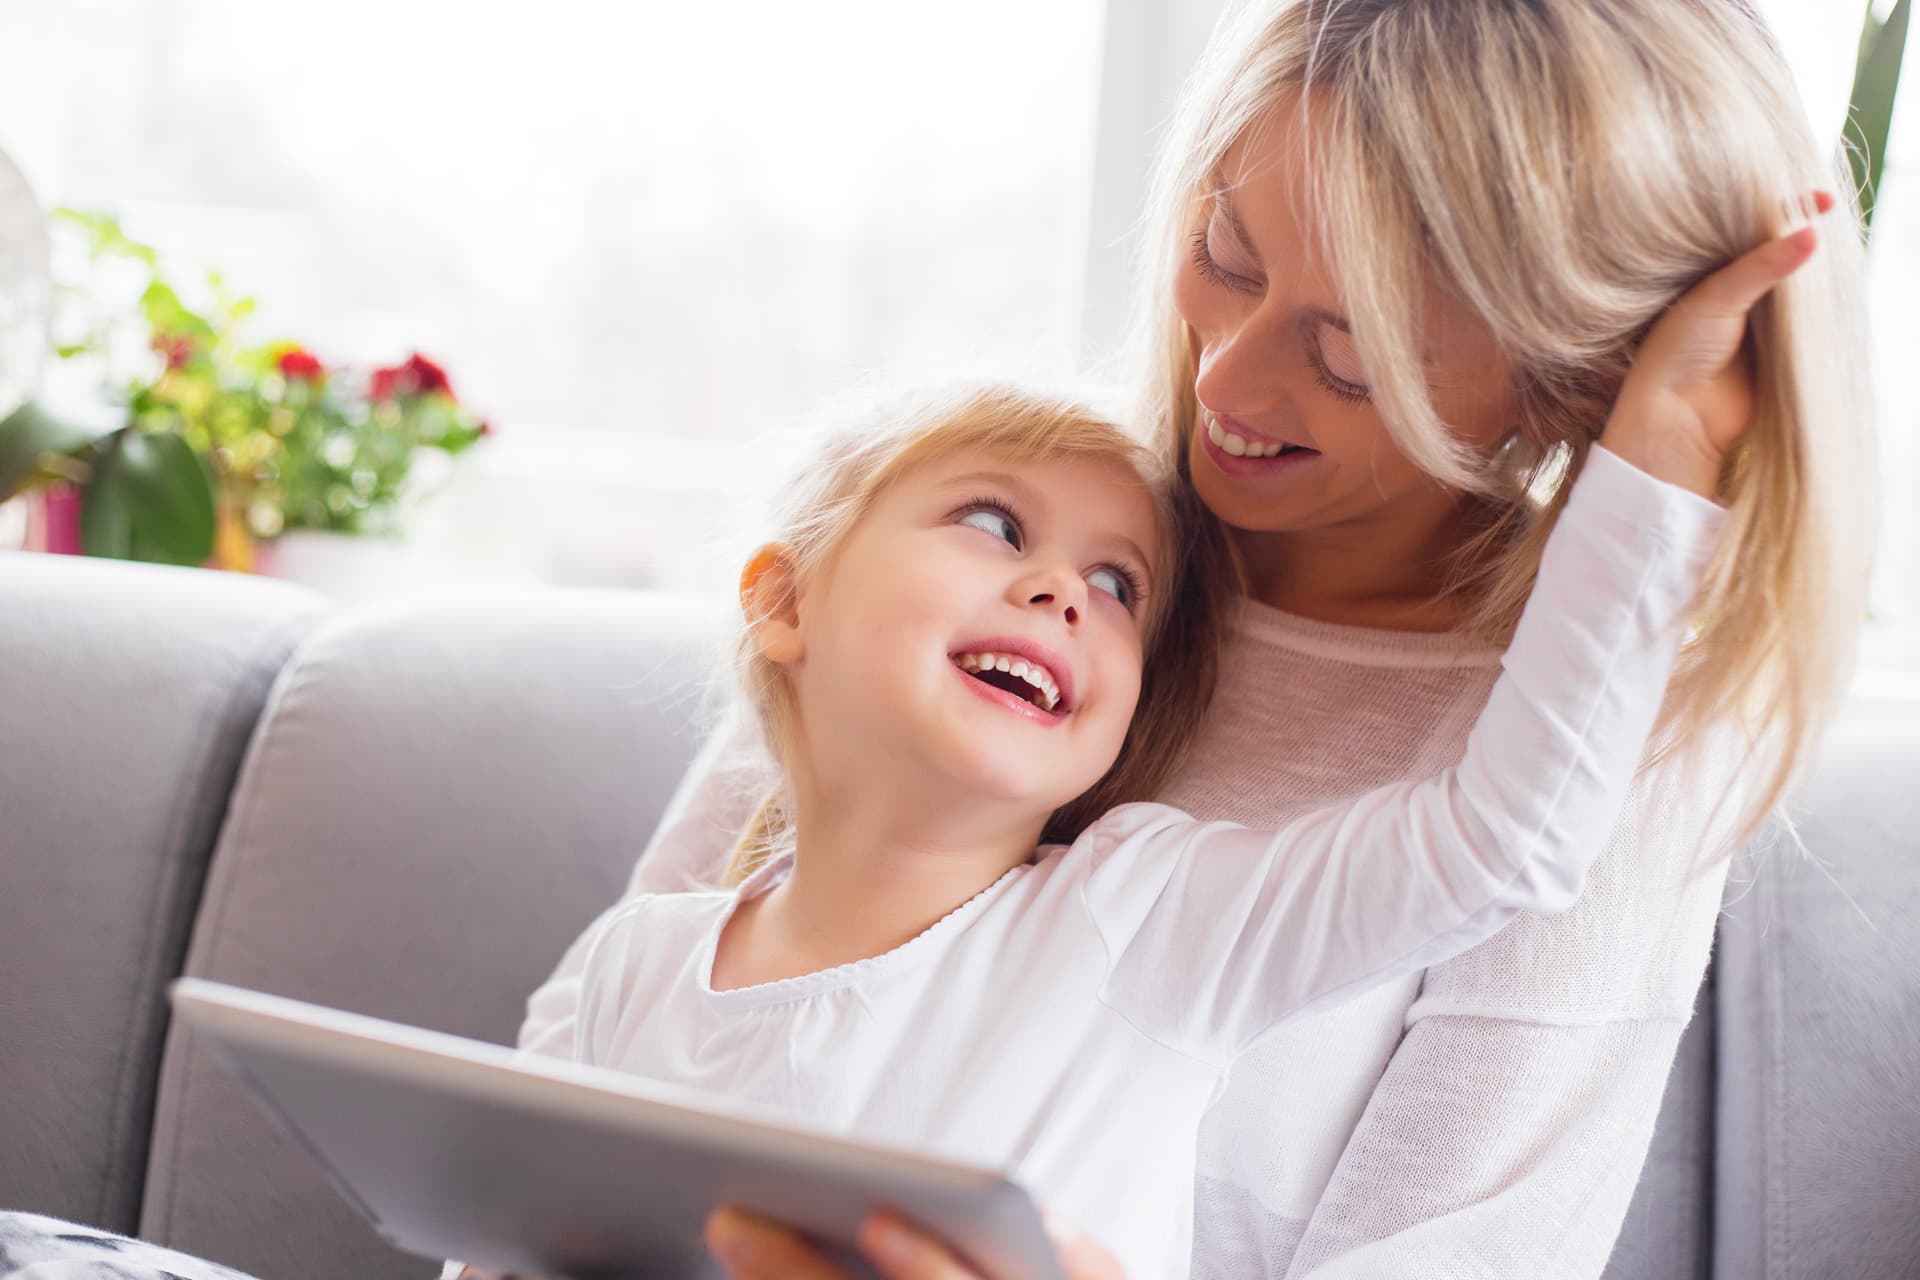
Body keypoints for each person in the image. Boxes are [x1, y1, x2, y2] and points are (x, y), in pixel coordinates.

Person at [519, 2, 1875, 1277]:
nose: (1225, 380)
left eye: (1351, 357)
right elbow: (571, 1149)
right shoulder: (949, 587)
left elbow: (1508, 847)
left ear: (1574, 383)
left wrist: (1657, 485)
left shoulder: (1567, 759)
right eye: (1225, 255)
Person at [444, 345, 1721, 1280]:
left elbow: (1508, 841)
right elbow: (488, 1243)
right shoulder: (634, 967)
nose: (1064, 589)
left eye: (1119, 585)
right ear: (785, 601)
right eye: (995, 522)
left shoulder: (1146, 919)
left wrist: (1654, 472)